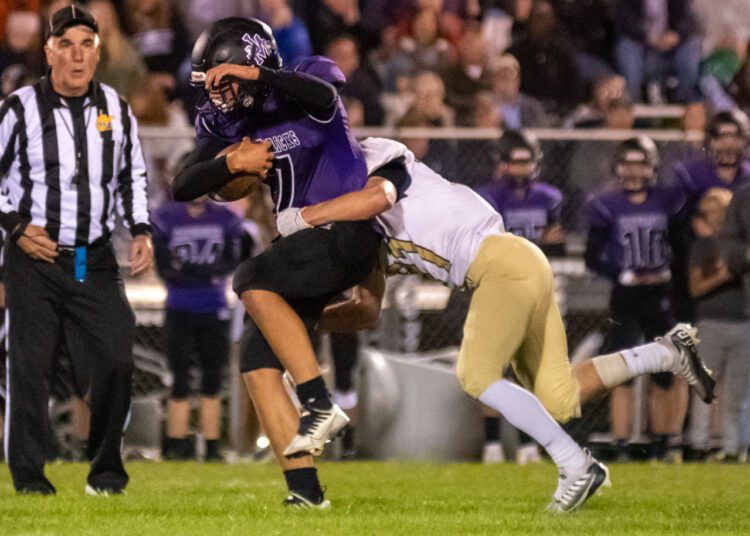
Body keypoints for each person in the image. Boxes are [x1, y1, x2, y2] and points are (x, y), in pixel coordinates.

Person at [277, 137, 715, 512]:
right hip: (518, 264)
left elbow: (374, 190)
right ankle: (666, 352)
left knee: (475, 375)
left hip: (499, 263)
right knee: (559, 396)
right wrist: (306, 321)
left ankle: (576, 465)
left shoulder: (375, 167)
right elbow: (366, 310)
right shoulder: (363, 233)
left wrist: (307, 216)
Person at [171, 17, 390, 508]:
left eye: (225, 79)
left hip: (347, 229)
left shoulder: (306, 80)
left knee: (250, 276)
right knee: (256, 362)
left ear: (251, 66)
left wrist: (255, 75)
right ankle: (306, 492)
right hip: (302, 246)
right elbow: (183, 184)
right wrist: (230, 163)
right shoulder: (231, 122)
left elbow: (322, 96)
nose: (217, 95)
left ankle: (318, 401)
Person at [0, 4, 152, 495]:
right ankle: (30, 481)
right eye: (65, 45)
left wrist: (141, 230)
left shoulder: (116, 108)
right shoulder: (18, 108)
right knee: (29, 369)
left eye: (87, 44)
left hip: (91, 258)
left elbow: (132, 176)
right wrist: (15, 226)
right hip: (33, 260)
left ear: (98, 52)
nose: (77, 55)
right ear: (48, 52)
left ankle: (105, 472)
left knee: (116, 358)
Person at [584, 136, 690, 461]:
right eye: (628, 163)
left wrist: (669, 272)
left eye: (640, 163)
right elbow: (592, 256)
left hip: (660, 294)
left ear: (652, 166)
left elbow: (681, 247)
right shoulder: (606, 203)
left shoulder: (667, 200)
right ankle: (621, 445)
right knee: (623, 372)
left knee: (664, 371)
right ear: (617, 166)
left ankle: (662, 445)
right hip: (626, 295)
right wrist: (623, 275)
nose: (634, 170)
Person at [152, 197, 251, 461]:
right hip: (180, 305)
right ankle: (177, 444)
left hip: (212, 305)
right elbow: (163, 266)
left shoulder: (225, 218)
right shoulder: (167, 217)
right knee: (179, 378)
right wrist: (201, 273)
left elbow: (235, 257)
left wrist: (192, 272)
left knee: (213, 377)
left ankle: (211, 445)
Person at [687, 188, 750, 461]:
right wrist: (724, 274)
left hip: (744, 321)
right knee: (704, 386)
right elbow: (695, 288)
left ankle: (733, 447)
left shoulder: (739, 247)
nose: (716, 219)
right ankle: (698, 445)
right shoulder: (704, 247)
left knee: (737, 392)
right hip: (711, 322)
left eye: (721, 213)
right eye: (709, 213)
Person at [474, 130, 565, 257]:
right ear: (502, 162)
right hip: (501, 259)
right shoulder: (487, 196)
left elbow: (554, 243)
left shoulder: (548, 196)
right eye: (516, 162)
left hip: (538, 258)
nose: (521, 167)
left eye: (526, 162)